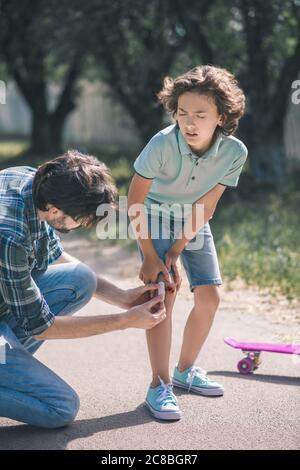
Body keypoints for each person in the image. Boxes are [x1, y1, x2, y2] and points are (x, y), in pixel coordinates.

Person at [0, 151, 166, 429]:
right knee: (61, 407)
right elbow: (42, 326)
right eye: (80, 220)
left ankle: (10, 364)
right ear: (54, 211)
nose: (81, 227)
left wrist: (122, 298)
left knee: (82, 279)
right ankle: (10, 367)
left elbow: (58, 257)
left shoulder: (33, 183)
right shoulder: (9, 235)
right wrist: (124, 322)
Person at [128, 65, 248, 420]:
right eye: (182, 113)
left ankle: (185, 371)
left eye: (200, 114)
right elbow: (134, 198)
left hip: (194, 220)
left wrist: (178, 251)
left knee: (209, 296)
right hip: (152, 217)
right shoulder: (162, 144)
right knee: (162, 293)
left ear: (221, 116)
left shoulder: (234, 152)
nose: (189, 122)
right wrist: (152, 256)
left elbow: (207, 205)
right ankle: (158, 385)